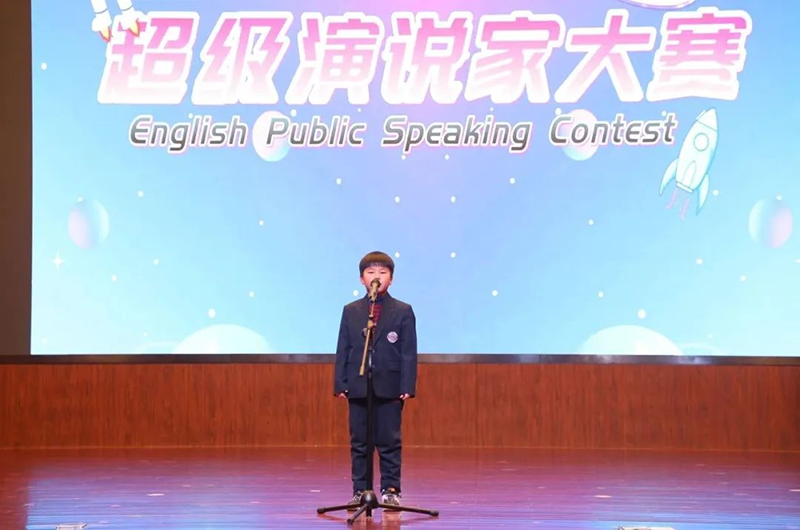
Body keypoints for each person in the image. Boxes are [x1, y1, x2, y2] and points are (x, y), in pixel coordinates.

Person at [334, 251, 418, 509]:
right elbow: (344, 348)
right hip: (359, 384)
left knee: (389, 441)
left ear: (391, 278)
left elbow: (408, 352)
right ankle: (360, 490)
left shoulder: (402, 310)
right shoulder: (351, 310)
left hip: (389, 386)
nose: (376, 276)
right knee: (359, 442)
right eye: (371, 272)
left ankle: (391, 490)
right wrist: (340, 382)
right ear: (362, 279)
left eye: (382, 272)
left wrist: (407, 385)